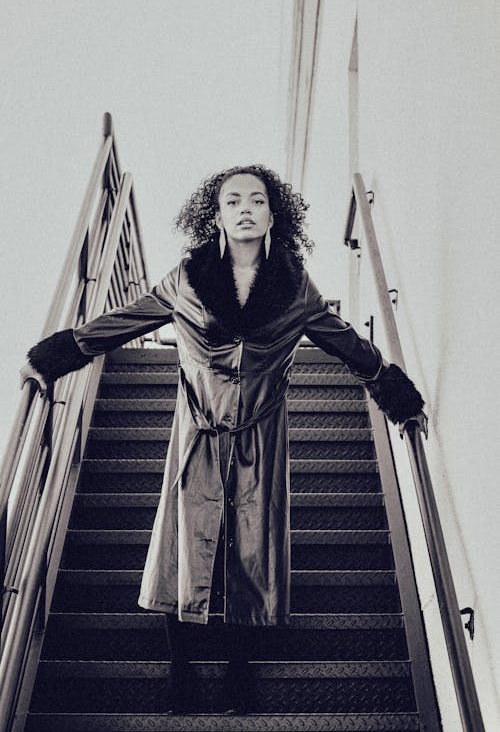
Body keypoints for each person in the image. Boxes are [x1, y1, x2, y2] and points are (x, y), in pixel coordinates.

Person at [21, 165, 426, 714]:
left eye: (256, 200)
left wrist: (397, 396)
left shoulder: (297, 287)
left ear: (272, 215)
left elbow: (347, 344)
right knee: (181, 546)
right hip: (198, 433)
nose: (244, 209)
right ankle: (180, 673)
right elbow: (123, 322)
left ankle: (239, 674)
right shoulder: (186, 279)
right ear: (215, 215)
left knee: (251, 550)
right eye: (232, 200)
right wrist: (48, 361)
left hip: (261, 434)